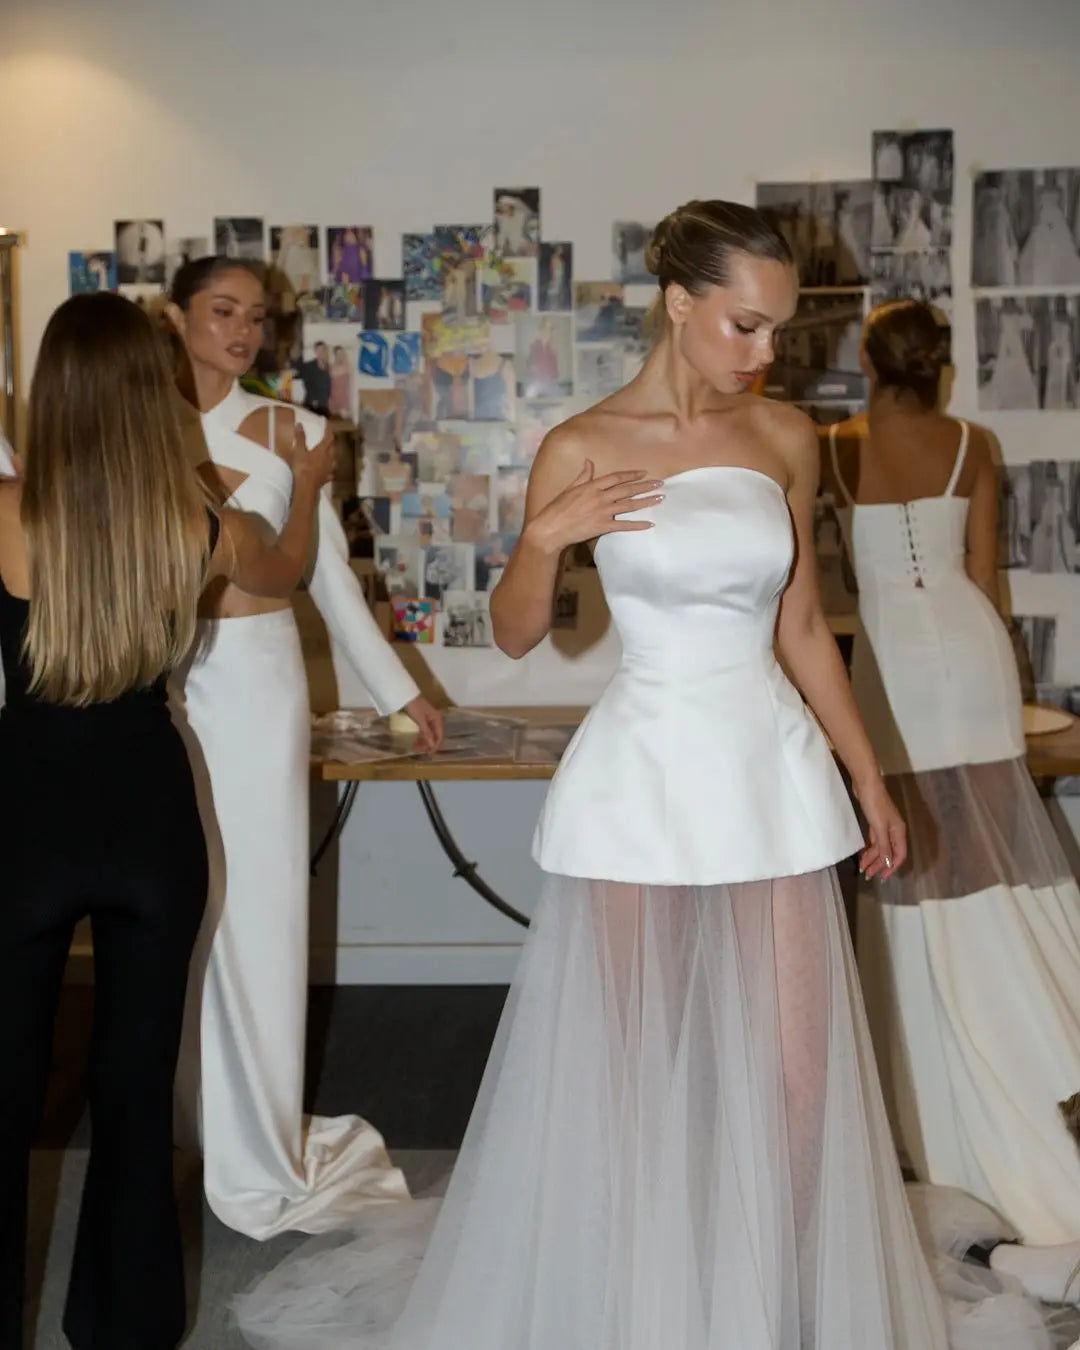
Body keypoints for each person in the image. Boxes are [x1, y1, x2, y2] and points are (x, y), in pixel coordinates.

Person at [235, 201, 990, 1349]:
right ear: (681, 305)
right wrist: (542, 540)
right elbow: (523, 632)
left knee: (800, 1078)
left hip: (769, 775)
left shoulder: (785, 438)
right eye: (744, 324)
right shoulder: (581, 442)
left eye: (778, 331)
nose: (764, 352)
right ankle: (641, 1303)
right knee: (635, 1068)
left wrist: (870, 780)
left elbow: (798, 630)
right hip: (644, 778)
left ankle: (771, 1304)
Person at [0, 292, 332, 1350]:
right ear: (157, 396)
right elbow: (285, 570)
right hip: (152, 827)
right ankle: (126, 1329)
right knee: (136, 1100)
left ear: (49, 391)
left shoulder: (5, 513)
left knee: (5, 1095)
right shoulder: (209, 524)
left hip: (23, 830)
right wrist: (312, 488)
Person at [165, 257, 443, 1241]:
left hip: (261, 688)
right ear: (178, 316)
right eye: (222, 311)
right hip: (161, 687)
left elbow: (325, 575)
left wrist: (400, 688)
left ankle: (262, 1147)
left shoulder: (292, 431)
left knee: (266, 908)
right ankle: (196, 1115)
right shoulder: (134, 423)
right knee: (181, 913)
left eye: (256, 317)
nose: (243, 330)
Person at [824, 299, 1080, 1315]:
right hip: (970, 662)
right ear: (941, 363)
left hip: (887, 669)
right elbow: (985, 583)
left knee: (917, 871)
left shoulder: (833, 445)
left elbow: (834, 579)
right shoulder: (975, 440)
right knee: (997, 869)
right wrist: (1011, 693)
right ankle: (1041, 1044)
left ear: (864, 360)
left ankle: (957, 1091)